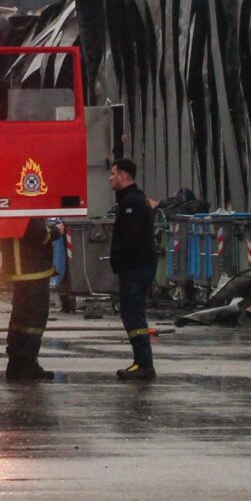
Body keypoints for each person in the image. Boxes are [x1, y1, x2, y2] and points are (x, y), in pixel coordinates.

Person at [108, 158, 158, 381]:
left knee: (134, 315)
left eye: (113, 173)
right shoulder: (132, 201)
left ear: (123, 176)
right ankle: (141, 362)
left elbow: (132, 238)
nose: (111, 178)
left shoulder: (132, 204)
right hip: (136, 267)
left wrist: (119, 258)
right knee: (132, 314)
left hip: (135, 268)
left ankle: (144, 364)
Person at [0, 217, 59, 381]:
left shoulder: (9, 208)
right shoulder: (26, 206)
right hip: (33, 271)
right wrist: (55, 231)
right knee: (34, 321)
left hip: (20, 272)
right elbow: (38, 232)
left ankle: (17, 365)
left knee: (20, 320)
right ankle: (27, 365)